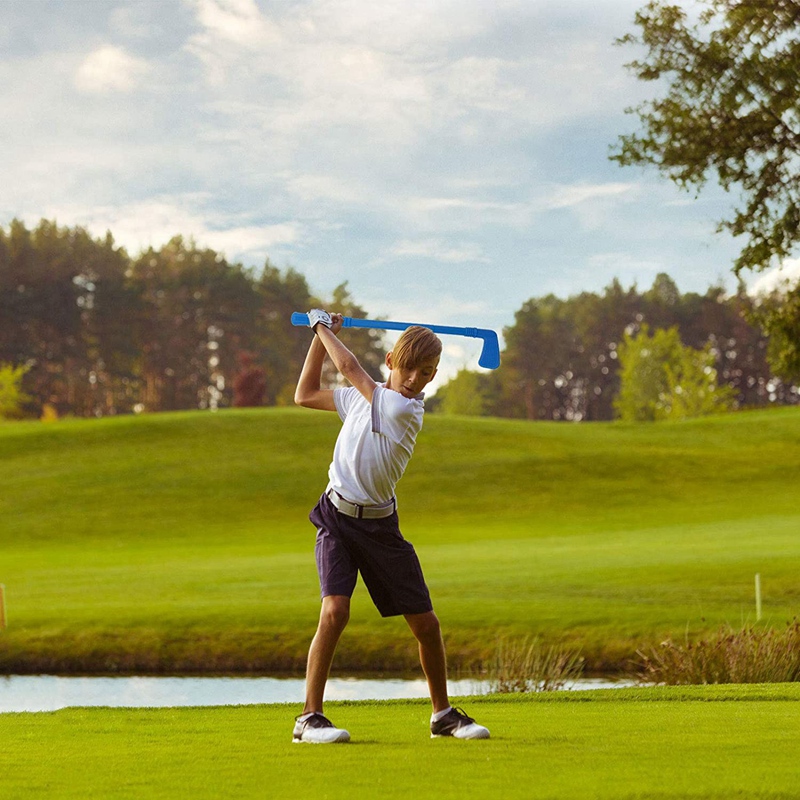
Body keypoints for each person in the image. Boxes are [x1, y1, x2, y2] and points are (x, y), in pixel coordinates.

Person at [291, 309, 490, 744]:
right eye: (411, 367)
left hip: (381, 528)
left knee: (427, 625)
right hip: (337, 517)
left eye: (428, 372)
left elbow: (347, 366)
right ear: (391, 362)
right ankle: (308, 719)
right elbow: (304, 394)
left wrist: (320, 325)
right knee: (335, 611)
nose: (418, 378)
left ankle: (442, 715)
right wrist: (317, 336)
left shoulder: (404, 409)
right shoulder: (361, 400)